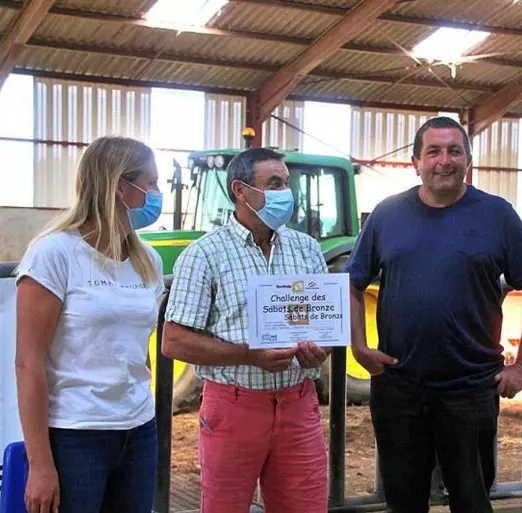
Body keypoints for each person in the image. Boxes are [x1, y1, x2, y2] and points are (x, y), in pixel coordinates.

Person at [345, 116, 522, 513]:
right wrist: (358, 346)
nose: (444, 160)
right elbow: (352, 283)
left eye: (454, 151)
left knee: (472, 500)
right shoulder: (387, 215)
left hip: (471, 388)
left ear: (469, 161)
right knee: (404, 501)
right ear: (415, 162)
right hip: (399, 385)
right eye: (434, 151)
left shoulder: (497, 214)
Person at [162, 148, 329, 513]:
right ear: (241, 190)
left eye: (286, 182)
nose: (286, 192)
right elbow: (173, 340)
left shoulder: (308, 249)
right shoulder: (205, 254)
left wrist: (320, 350)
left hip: (299, 404)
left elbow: (323, 325)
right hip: (234, 406)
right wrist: (248, 355)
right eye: (274, 183)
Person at [15, 136, 165, 513]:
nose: (157, 194)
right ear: (119, 187)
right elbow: (28, 363)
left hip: (138, 431)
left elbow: (136, 348)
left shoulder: (147, 260)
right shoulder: (54, 253)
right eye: (151, 184)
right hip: (74, 436)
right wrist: (40, 465)